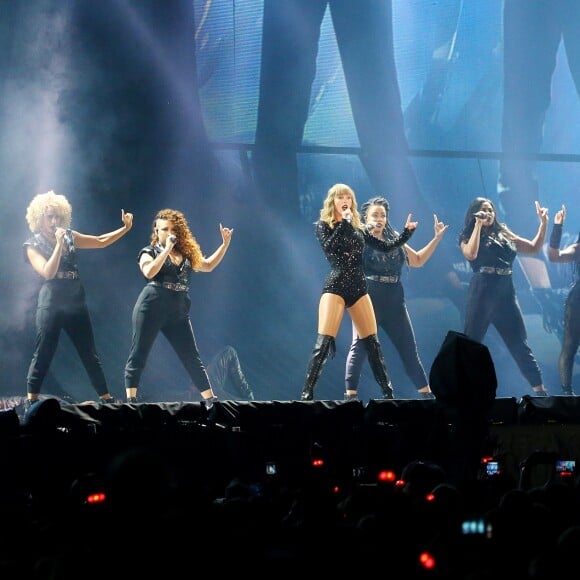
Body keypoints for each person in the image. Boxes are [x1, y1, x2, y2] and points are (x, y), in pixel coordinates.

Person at [300, 183, 416, 401]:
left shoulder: (358, 228)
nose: (346, 200)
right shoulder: (324, 226)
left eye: (349, 198)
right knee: (324, 341)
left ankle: (388, 393)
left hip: (359, 288)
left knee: (372, 342)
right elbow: (330, 248)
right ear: (332, 201)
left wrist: (406, 234)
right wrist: (343, 222)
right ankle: (307, 392)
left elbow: (385, 246)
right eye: (340, 197)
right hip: (336, 285)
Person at [23, 190, 133, 408]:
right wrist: (57, 244)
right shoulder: (32, 244)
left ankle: (106, 399)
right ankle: (31, 401)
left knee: (88, 352)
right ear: (39, 218)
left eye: (57, 217)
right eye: (49, 217)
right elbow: (48, 272)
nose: (54, 221)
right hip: (52, 300)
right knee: (44, 351)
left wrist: (125, 228)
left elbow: (100, 241)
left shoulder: (70, 235)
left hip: (75, 297)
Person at [124, 209, 233, 406]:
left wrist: (224, 245)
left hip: (178, 309)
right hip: (152, 305)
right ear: (156, 231)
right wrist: (165, 249)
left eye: (173, 229)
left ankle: (210, 400)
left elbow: (207, 265)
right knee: (139, 352)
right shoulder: (149, 251)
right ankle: (131, 400)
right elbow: (149, 271)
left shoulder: (187, 255)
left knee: (191, 355)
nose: (169, 232)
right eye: (164, 229)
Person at [344, 196, 448, 401]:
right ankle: (350, 397)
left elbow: (417, 260)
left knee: (408, 348)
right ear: (366, 217)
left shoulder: (394, 239)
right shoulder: (360, 237)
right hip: (369, 296)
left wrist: (436, 239)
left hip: (394, 298)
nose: (380, 218)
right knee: (361, 346)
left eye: (383, 215)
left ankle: (427, 396)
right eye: (375, 214)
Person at [458, 197, 549, 396]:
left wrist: (543, 224)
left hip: (505, 289)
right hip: (483, 288)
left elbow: (533, 248)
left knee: (519, 342)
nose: (488, 213)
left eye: (490, 210)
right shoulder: (468, 234)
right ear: (475, 213)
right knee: (472, 342)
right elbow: (471, 254)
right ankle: (464, 392)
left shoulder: (504, 232)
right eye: (483, 210)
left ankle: (540, 390)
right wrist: (477, 226)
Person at [547, 204, 579, 396]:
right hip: (578, 303)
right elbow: (554, 256)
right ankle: (567, 394)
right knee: (570, 346)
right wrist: (557, 227)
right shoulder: (578, 248)